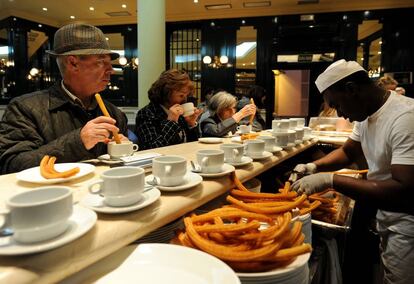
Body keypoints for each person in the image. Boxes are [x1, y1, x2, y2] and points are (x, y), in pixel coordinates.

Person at [290, 59, 414, 284]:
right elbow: (349, 151)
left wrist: (331, 180)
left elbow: (403, 188)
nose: (341, 114)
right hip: (386, 212)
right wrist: (314, 167)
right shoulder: (366, 113)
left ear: (352, 90)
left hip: (407, 220)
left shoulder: (405, 117)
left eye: (337, 105)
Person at [0, 23, 128, 174]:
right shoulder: (24, 108)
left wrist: (121, 150)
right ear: (73, 63)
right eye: (101, 62)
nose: (111, 70)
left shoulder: (114, 114)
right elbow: (11, 165)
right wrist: (78, 142)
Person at [134, 69, 202, 150]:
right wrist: (171, 122)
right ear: (166, 93)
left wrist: (191, 124)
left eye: (186, 95)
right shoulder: (146, 113)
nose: (185, 100)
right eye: (181, 95)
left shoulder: (180, 113)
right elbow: (152, 148)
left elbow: (193, 146)